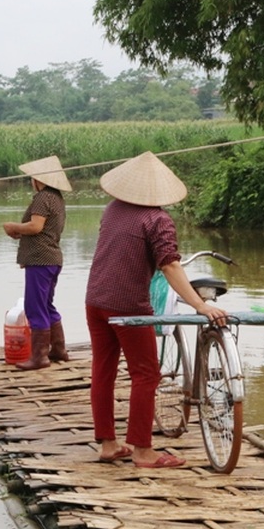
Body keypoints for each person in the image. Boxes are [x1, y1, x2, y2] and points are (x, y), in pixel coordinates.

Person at [86, 151, 227, 468]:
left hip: (95, 300)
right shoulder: (157, 220)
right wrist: (200, 304)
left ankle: (108, 444)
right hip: (128, 306)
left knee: (103, 369)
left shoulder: (113, 210)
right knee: (146, 374)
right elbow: (171, 266)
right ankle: (142, 450)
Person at [2, 155, 72, 370]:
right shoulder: (56, 198)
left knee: (35, 307)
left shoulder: (43, 198)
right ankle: (58, 351)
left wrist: (13, 226)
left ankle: (39, 357)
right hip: (51, 259)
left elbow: (35, 227)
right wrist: (21, 232)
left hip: (40, 260)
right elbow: (40, 229)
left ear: (38, 179)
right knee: (46, 305)